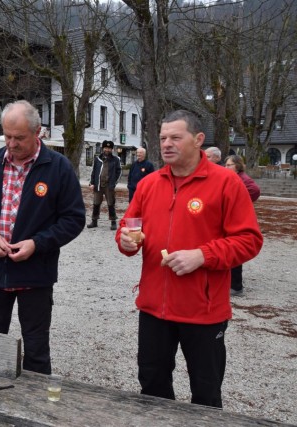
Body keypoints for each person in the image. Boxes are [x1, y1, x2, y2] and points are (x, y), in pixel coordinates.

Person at [115, 110, 263, 408]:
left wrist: (202, 255)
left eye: (175, 138)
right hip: (154, 308)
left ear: (198, 140)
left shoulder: (226, 183)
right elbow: (127, 228)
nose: (166, 144)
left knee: (206, 393)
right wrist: (126, 242)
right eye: (162, 138)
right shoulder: (149, 184)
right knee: (153, 387)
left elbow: (249, 241)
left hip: (204, 311)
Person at [0, 100, 86, 374]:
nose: (12, 144)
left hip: (35, 275)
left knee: (37, 350)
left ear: (38, 132)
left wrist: (37, 244)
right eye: (7, 136)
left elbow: (74, 219)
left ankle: (35, 407)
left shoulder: (58, 167)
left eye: (19, 137)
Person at [225, 154, 261, 296]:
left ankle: (236, 286)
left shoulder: (242, 179)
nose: (226, 167)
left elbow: (255, 190)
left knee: (234, 250)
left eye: (229, 165)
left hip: (237, 220)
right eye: (226, 165)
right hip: (231, 218)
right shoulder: (233, 178)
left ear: (237, 166)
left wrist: (240, 201)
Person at [88, 140, 122, 230]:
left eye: (109, 148)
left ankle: (113, 222)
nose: (107, 150)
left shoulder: (116, 160)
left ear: (111, 149)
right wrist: (92, 183)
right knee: (96, 203)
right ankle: (94, 221)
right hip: (98, 185)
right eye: (106, 148)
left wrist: (114, 182)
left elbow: (119, 171)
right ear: (103, 148)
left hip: (109, 185)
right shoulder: (97, 159)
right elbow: (94, 171)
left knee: (111, 203)